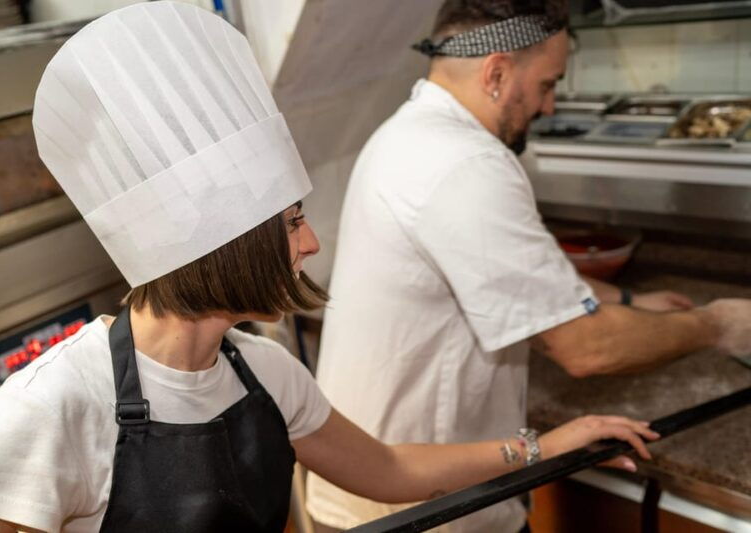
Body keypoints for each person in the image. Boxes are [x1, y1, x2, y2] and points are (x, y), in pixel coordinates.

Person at [0, 3, 660, 532]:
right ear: (230, 239)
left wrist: (542, 444)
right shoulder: (53, 404)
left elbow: (389, 469)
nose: (314, 241)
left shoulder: (264, 371)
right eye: (293, 220)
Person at [305, 1, 751, 532]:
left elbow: (518, 270)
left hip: (394, 490)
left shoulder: (411, 135)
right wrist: (719, 324)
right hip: (426, 509)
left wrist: (628, 301)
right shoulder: (464, 164)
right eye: (547, 84)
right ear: (495, 72)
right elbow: (588, 348)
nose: (549, 106)